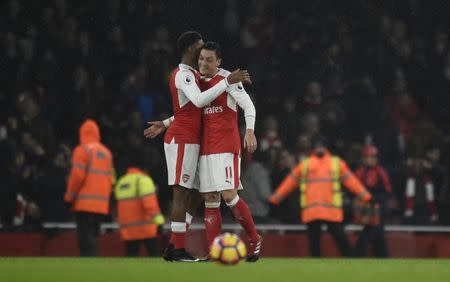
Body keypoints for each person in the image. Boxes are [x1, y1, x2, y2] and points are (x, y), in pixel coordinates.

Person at [147, 42, 261, 262]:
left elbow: (249, 106)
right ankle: (214, 251)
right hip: (205, 148)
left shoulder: (229, 79)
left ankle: (255, 239)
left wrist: (250, 131)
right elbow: (190, 112)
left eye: (209, 60)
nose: (203, 63)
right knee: (210, 198)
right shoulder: (197, 81)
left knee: (229, 195)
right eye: (201, 59)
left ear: (218, 62)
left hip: (226, 145)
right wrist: (165, 123)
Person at [269, 135, 371, 257]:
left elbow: (352, 182)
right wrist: (275, 199)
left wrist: (366, 196)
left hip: (321, 211)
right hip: (323, 211)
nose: (319, 149)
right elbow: (289, 183)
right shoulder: (327, 163)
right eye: (318, 146)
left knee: (332, 242)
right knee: (324, 242)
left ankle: (347, 260)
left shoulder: (313, 164)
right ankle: (350, 262)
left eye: (321, 146)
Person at [64, 119, 114, 257]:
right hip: (101, 205)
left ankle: (89, 264)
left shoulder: (82, 150)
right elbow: (110, 180)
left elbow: (76, 176)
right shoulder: (107, 153)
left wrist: (69, 197)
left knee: (85, 237)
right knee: (93, 235)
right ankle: (93, 262)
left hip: (84, 203)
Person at [114, 165, 165, 257]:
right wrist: (159, 222)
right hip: (146, 228)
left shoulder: (121, 181)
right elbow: (150, 204)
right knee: (154, 256)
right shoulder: (144, 180)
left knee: (130, 258)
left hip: (128, 229)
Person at [354, 144, 392, 257]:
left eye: (372, 157)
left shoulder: (381, 172)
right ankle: (385, 260)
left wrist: (375, 200)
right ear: (363, 158)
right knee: (379, 239)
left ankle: (356, 256)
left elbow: (387, 191)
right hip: (365, 209)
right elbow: (354, 188)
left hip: (378, 209)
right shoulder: (359, 172)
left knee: (367, 236)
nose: (370, 160)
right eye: (367, 157)